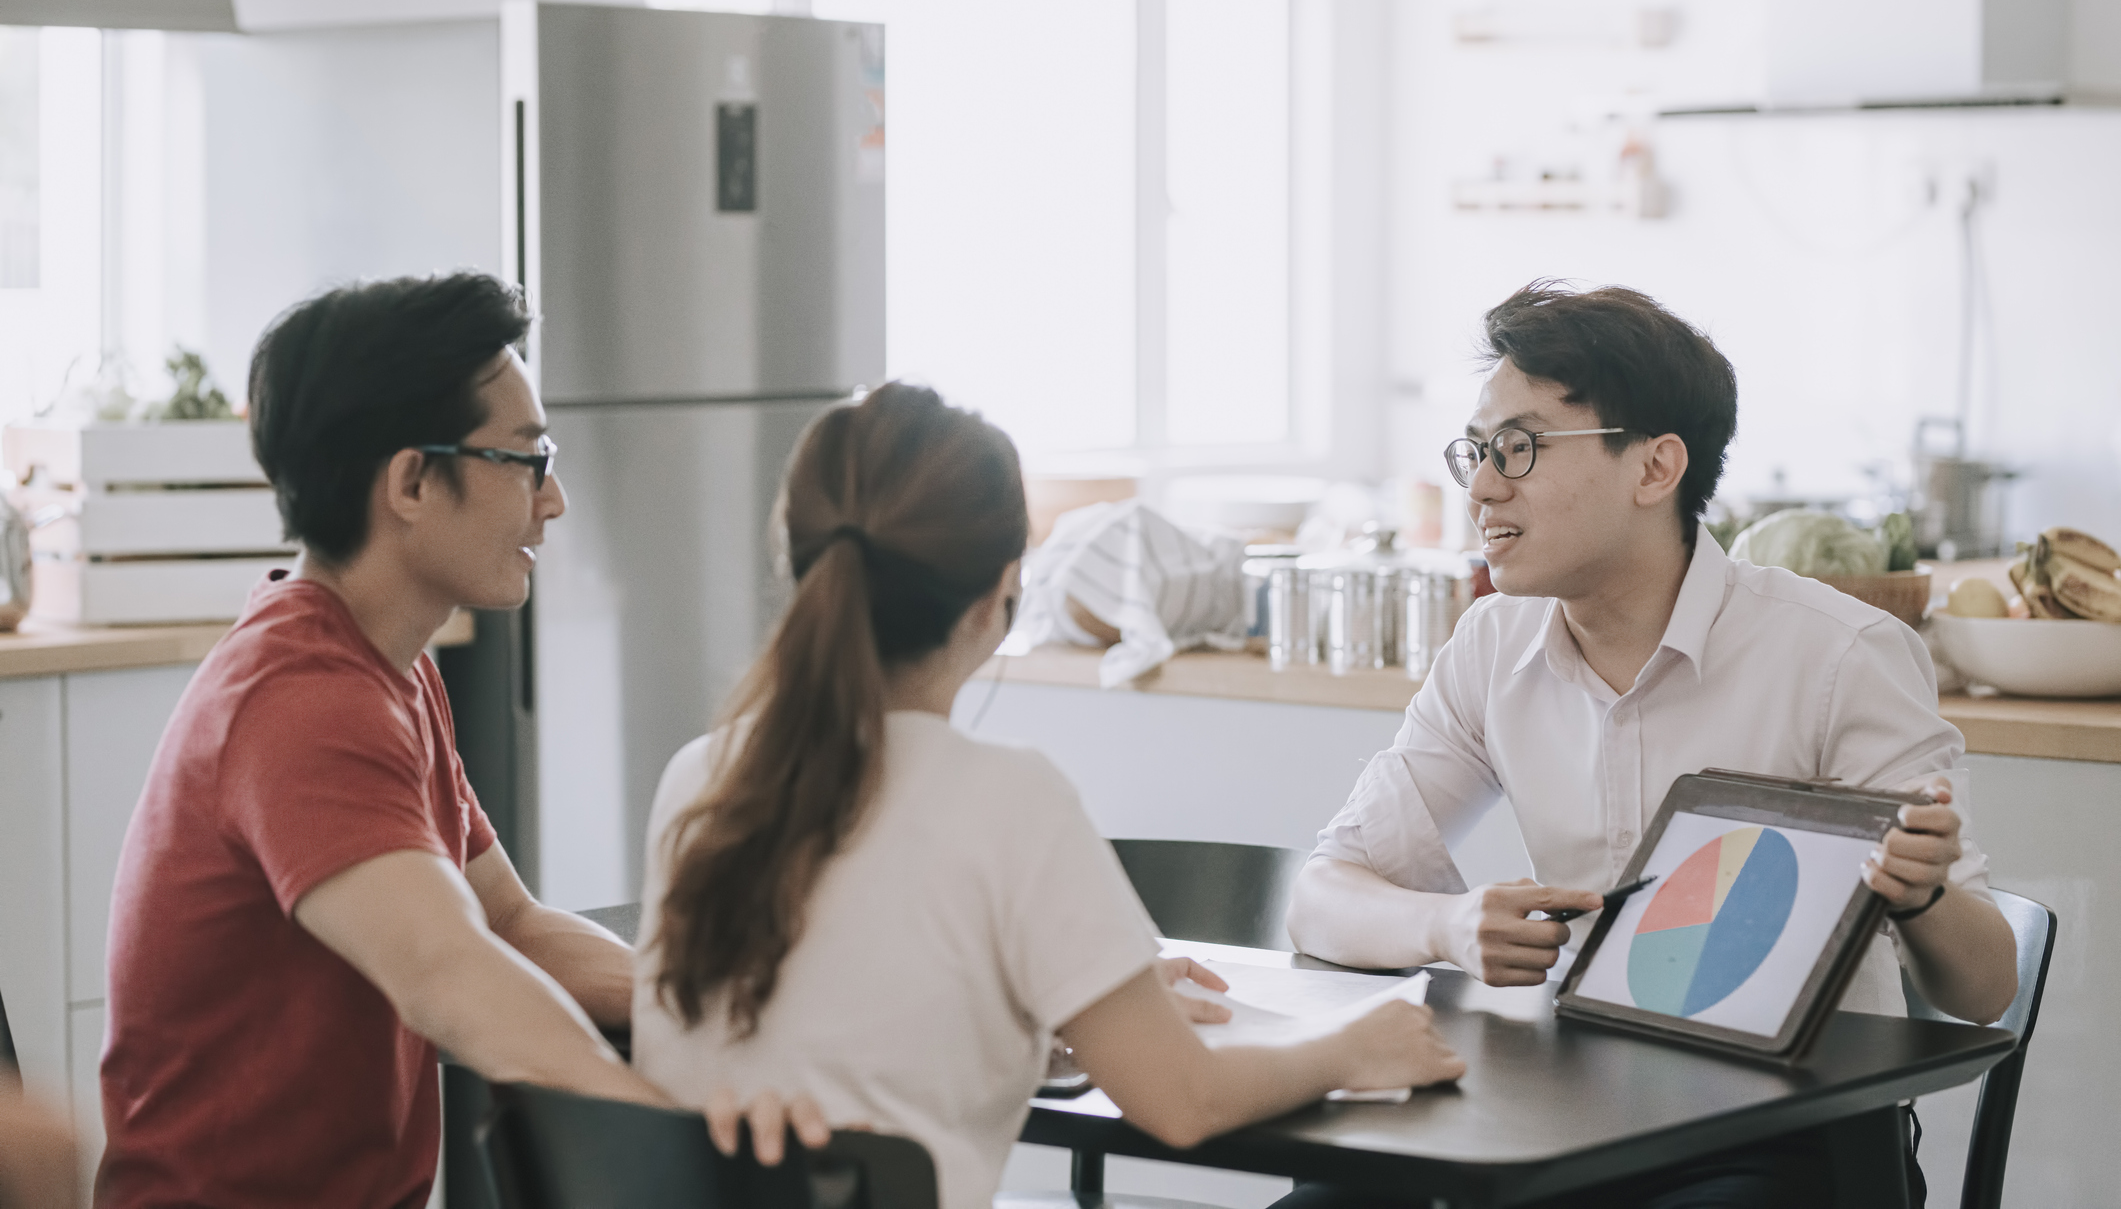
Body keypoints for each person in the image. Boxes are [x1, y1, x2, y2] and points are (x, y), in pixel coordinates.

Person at [630, 383, 1466, 1209]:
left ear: (798, 560)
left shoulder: (699, 779)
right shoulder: (1008, 802)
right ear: (1001, 594)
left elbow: (833, 1042)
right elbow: (1185, 1101)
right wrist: (1351, 1049)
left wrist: (1041, 1024)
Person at [1285, 282, 2018, 1206]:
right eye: (1475, 450)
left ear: (1654, 468)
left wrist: (1919, 893)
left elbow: (1984, 987)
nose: (1479, 485)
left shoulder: (1839, 654)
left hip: (1792, 1142)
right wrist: (1446, 924)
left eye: (1518, 448)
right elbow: (1322, 896)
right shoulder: (1491, 644)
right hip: (1563, 1114)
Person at [99, 275, 823, 1209]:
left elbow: (509, 926)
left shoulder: (385, 666)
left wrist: (723, 1010)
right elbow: (447, 973)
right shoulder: (302, 699)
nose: (552, 501)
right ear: (410, 482)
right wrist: (667, 1137)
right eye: (525, 459)